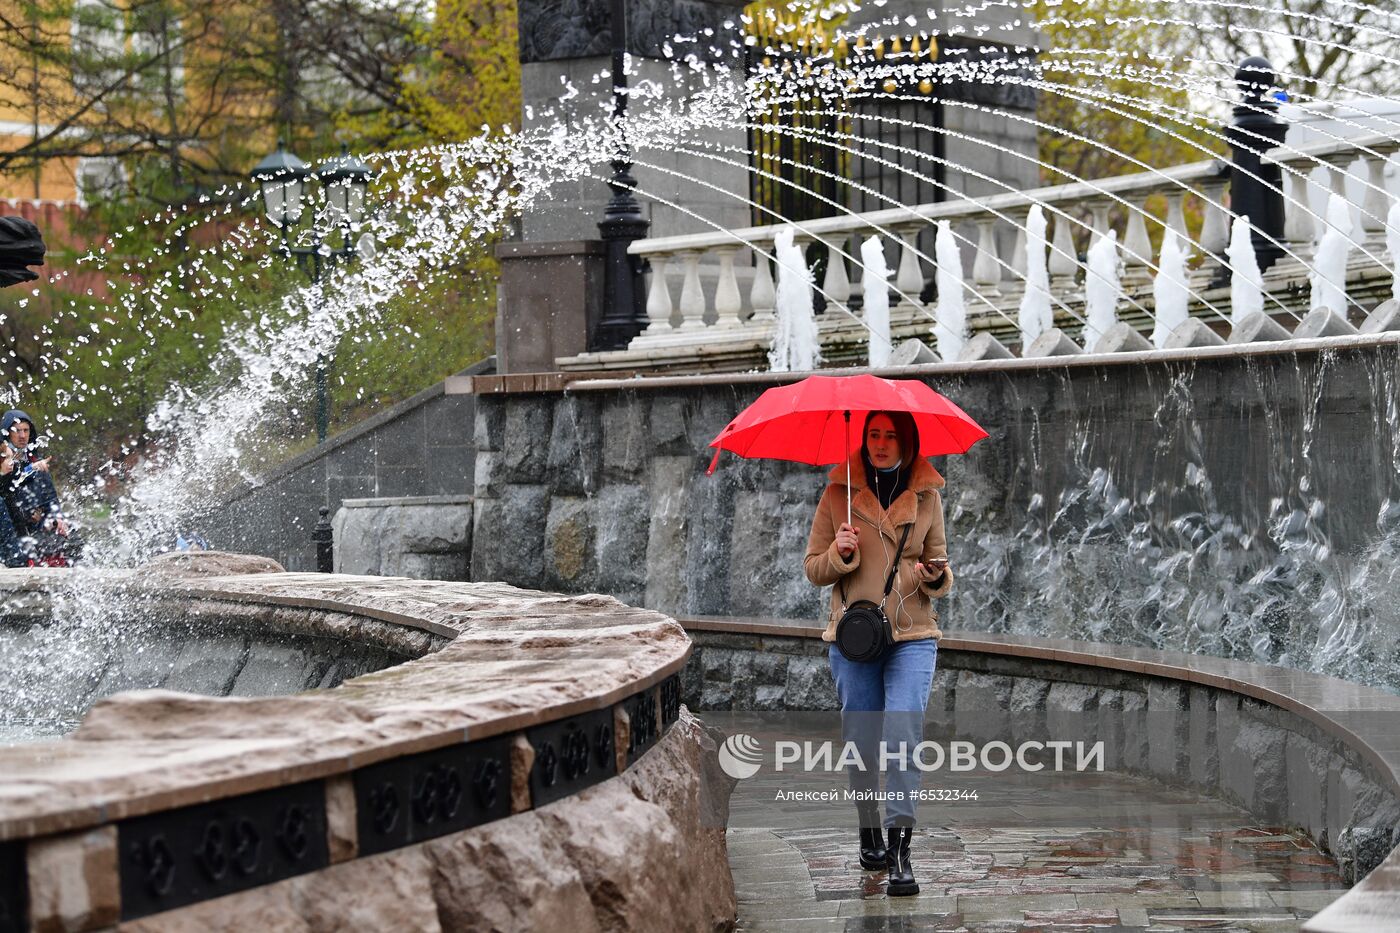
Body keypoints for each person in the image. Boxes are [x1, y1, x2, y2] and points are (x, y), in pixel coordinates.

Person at [804, 409, 954, 897]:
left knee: (903, 735)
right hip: (856, 636)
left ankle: (900, 850)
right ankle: (868, 819)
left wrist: (935, 575)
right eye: (873, 434)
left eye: (891, 435)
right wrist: (839, 553)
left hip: (912, 633)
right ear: (863, 438)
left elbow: (942, 567)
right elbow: (813, 569)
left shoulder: (928, 496)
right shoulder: (837, 494)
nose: (881, 443)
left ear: (907, 441)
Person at [1, 408, 77, 565]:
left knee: (73, 534)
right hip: (10, 534)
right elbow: (9, 488)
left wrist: (57, 519)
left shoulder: (37, 463)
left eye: (26, 430)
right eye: (17, 431)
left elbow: (52, 502)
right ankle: (20, 563)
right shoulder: (4, 460)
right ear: (8, 433)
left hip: (34, 529)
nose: (22, 436)